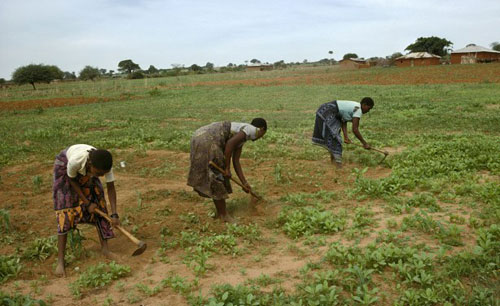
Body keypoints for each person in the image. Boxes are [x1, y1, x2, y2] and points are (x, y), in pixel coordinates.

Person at [52, 144, 120, 277]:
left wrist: (114, 213)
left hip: (85, 169)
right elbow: (72, 180)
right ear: (90, 164)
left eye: (103, 174)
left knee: (99, 203)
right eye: (99, 173)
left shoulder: (104, 166)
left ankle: (105, 249)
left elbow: (111, 187)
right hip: (65, 168)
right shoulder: (76, 161)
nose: (101, 176)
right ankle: (60, 262)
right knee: (65, 210)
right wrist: (87, 202)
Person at [187, 118, 267, 222]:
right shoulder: (251, 130)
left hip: (199, 136)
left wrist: (244, 183)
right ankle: (223, 215)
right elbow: (229, 144)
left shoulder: (242, 135)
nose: (261, 137)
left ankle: (221, 213)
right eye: (263, 134)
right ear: (262, 129)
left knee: (214, 176)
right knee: (216, 176)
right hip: (208, 139)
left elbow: (236, 161)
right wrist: (227, 168)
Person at [312, 97, 374, 168]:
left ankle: (334, 163)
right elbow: (355, 129)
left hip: (325, 110)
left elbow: (343, 121)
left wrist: (346, 137)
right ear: (364, 104)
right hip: (327, 112)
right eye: (369, 108)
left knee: (334, 138)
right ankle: (338, 165)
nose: (368, 111)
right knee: (336, 139)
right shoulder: (358, 110)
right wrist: (364, 143)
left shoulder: (355, 107)